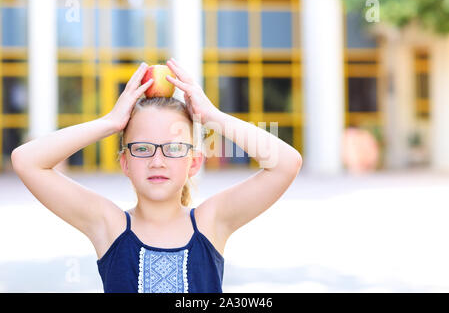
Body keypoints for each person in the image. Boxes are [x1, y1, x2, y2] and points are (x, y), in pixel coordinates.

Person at [11, 58, 303, 293]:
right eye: (142, 148)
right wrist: (110, 122)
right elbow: (26, 161)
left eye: (174, 148)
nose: (157, 160)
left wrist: (211, 115)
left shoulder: (211, 222)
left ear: (194, 162)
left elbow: (286, 163)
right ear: (125, 163)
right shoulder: (109, 225)